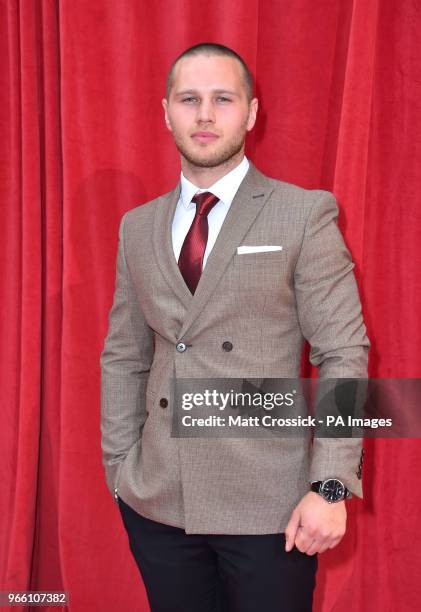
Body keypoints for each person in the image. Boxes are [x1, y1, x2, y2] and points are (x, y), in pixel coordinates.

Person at [100, 42, 370, 612]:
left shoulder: (303, 214)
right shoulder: (136, 226)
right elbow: (124, 355)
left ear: (249, 113)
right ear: (166, 111)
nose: (204, 115)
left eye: (222, 99)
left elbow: (343, 353)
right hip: (159, 501)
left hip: (271, 506)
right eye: (189, 99)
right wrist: (120, 470)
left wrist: (330, 486)